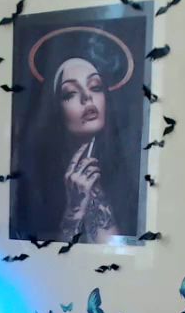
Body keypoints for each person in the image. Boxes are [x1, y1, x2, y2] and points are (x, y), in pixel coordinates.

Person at [12, 30, 140, 243]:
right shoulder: (38, 185)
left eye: (95, 87)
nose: (87, 97)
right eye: (70, 93)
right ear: (56, 110)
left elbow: (120, 253)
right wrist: (74, 209)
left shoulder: (127, 175)